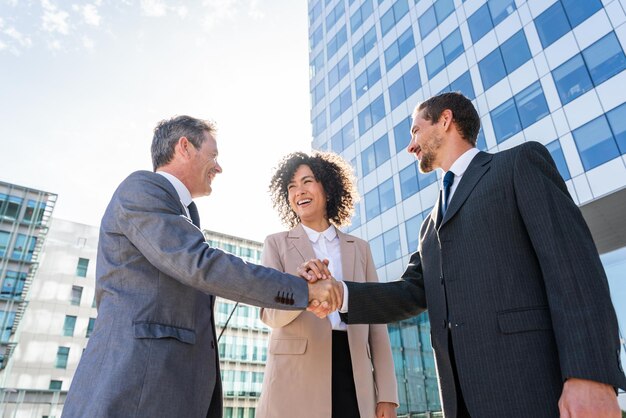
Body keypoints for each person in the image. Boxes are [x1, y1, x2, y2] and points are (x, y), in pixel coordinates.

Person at [302, 92, 626, 418]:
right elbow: (409, 293)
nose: (410, 146)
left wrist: (591, 374)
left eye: (415, 131)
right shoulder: (430, 226)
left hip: (532, 390)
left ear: (445, 120)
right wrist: (339, 294)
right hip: (462, 403)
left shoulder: (517, 165)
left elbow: (571, 265)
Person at [61, 116, 341, 418]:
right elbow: (201, 264)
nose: (218, 167)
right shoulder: (141, 189)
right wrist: (303, 290)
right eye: (213, 155)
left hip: (171, 389)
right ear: (184, 147)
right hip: (133, 388)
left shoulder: (183, 213)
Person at [256, 152, 398, 418]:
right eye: (291, 187)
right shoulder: (275, 244)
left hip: (354, 372)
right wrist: (302, 288)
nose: (299, 191)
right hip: (295, 376)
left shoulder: (360, 249)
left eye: (307, 181)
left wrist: (387, 395)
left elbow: (377, 324)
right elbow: (269, 314)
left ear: (328, 189)